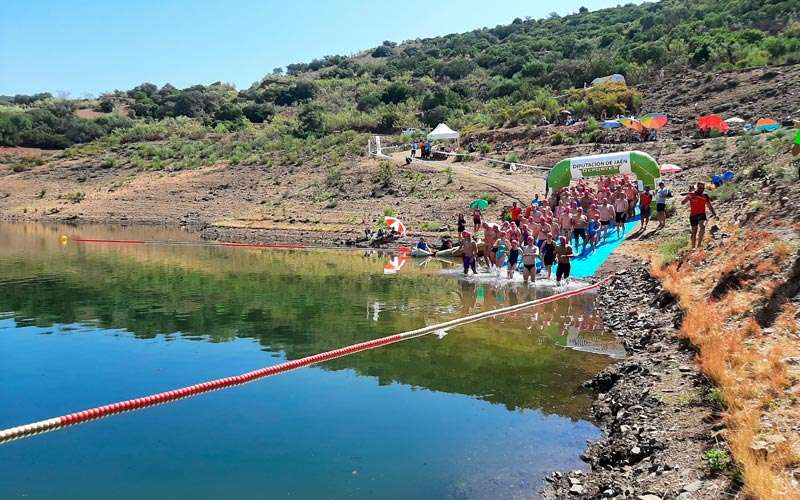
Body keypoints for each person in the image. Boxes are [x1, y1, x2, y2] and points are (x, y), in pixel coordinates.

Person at [682, 182, 717, 249]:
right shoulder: (692, 194)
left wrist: (715, 215)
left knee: (702, 227)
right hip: (693, 215)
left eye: (703, 188)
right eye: (700, 188)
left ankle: (699, 245)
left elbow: (709, 206)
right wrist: (688, 196)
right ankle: (693, 247)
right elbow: (682, 203)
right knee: (694, 233)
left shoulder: (705, 196)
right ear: (696, 187)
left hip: (702, 214)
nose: (701, 189)